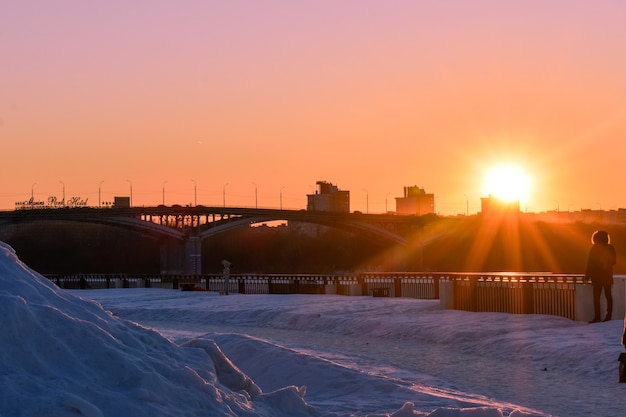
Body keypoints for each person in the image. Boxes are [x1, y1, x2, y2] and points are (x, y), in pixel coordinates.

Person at [585, 230, 616, 323]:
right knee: (608, 296)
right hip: (607, 275)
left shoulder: (594, 248)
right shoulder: (611, 248)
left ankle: (597, 317)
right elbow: (614, 262)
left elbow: (590, 263)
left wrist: (587, 276)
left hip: (596, 276)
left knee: (596, 297)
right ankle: (608, 316)